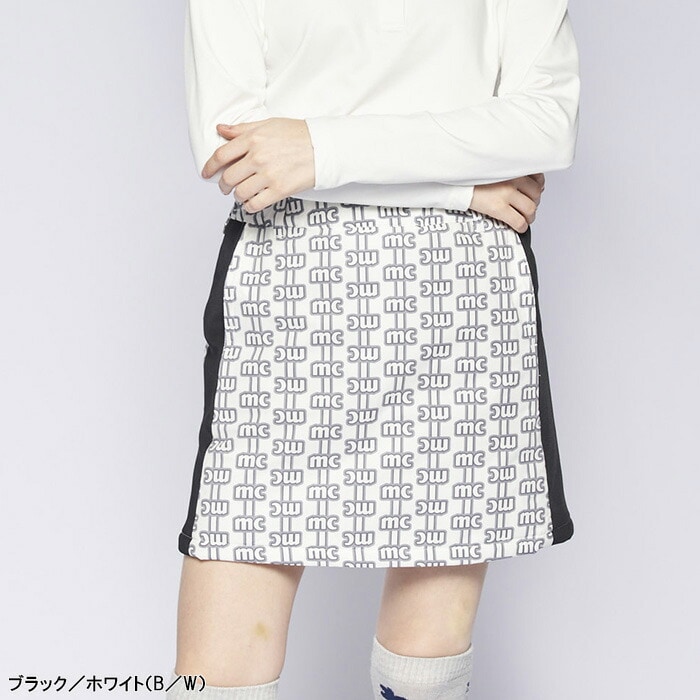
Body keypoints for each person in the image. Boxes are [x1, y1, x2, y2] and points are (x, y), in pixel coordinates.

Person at [167, 1, 580, 698]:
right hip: (295, 296)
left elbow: (546, 123)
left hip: (458, 309)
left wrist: (318, 148)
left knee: (426, 666)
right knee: (221, 670)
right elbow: (239, 151)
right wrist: (460, 186)